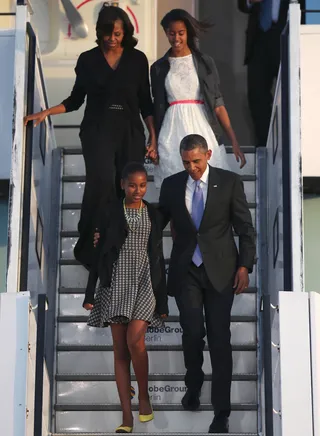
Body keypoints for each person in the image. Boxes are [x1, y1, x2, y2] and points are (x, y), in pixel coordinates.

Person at [24, 4, 157, 267]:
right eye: (107, 33)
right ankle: (89, 246)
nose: (112, 38)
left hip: (130, 131)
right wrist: (46, 112)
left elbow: (146, 102)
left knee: (128, 187)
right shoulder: (87, 59)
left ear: (125, 33)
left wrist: (153, 137)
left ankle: (121, 246)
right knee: (102, 182)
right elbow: (75, 100)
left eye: (117, 33)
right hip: (97, 130)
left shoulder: (138, 59)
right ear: (99, 32)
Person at [158, 134, 256, 434]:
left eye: (197, 162)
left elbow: (245, 228)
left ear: (208, 155)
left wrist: (244, 266)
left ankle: (221, 412)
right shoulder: (172, 185)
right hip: (186, 270)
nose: (192, 168)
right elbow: (155, 224)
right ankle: (194, 383)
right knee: (191, 332)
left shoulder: (229, 182)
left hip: (221, 271)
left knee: (218, 339)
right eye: (186, 162)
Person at [83, 162, 168, 434]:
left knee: (135, 340)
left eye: (142, 185)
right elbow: (100, 256)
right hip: (115, 284)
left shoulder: (154, 213)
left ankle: (144, 395)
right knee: (120, 352)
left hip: (144, 283)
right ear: (122, 184)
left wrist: (162, 301)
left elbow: (158, 258)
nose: (137, 190)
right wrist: (89, 293)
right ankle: (126, 415)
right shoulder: (109, 212)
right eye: (132, 185)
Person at [150, 9, 246, 188]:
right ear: (166, 33)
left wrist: (233, 139)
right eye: (171, 33)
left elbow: (217, 102)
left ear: (188, 32)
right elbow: (156, 106)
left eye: (181, 33)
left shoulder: (204, 62)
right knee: (175, 181)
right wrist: (153, 141)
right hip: (171, 129)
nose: (176, 38)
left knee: (206, 178)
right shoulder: (158, 67)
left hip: (202, 123)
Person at [238, 0, 296, 146]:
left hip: (288, 35)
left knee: (291, 94)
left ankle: (292, 143)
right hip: (259, 39)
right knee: (257, 96)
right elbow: (242, 5)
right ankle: (265, 147)